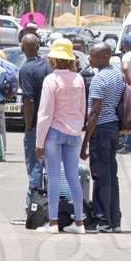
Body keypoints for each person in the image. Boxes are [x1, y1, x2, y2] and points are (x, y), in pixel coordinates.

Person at [35, 39, 88, 234]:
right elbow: (82, 109)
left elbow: (45, 113)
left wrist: (39, 142)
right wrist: (77, 128)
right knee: (74, 177)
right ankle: (80, 222)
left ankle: (53, 223)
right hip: (74, 134)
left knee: (54, 176)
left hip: (54, 133)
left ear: (54, 59)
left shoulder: (51, 80)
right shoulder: (78, 79)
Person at [81, 43, 124, 233]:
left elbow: (94, 113)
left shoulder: (99, 79)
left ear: (106, 56)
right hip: (113, 127)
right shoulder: (116, 73)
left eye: (93, 56)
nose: (89, 59)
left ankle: (102, 220)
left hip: (101, 129)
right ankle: (115, 220)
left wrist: (85, 143)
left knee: (100, 176)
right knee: (111, 176)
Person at [14, 32, 52, 221]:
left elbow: (28, 100)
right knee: (48, 167)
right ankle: (49, 207)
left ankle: (32, 207)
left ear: (22, 48)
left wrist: (28, 126)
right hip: (50, 124)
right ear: (38, 47)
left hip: (35, 125)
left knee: (35, 168)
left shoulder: (26, 70)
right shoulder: (47, 66)